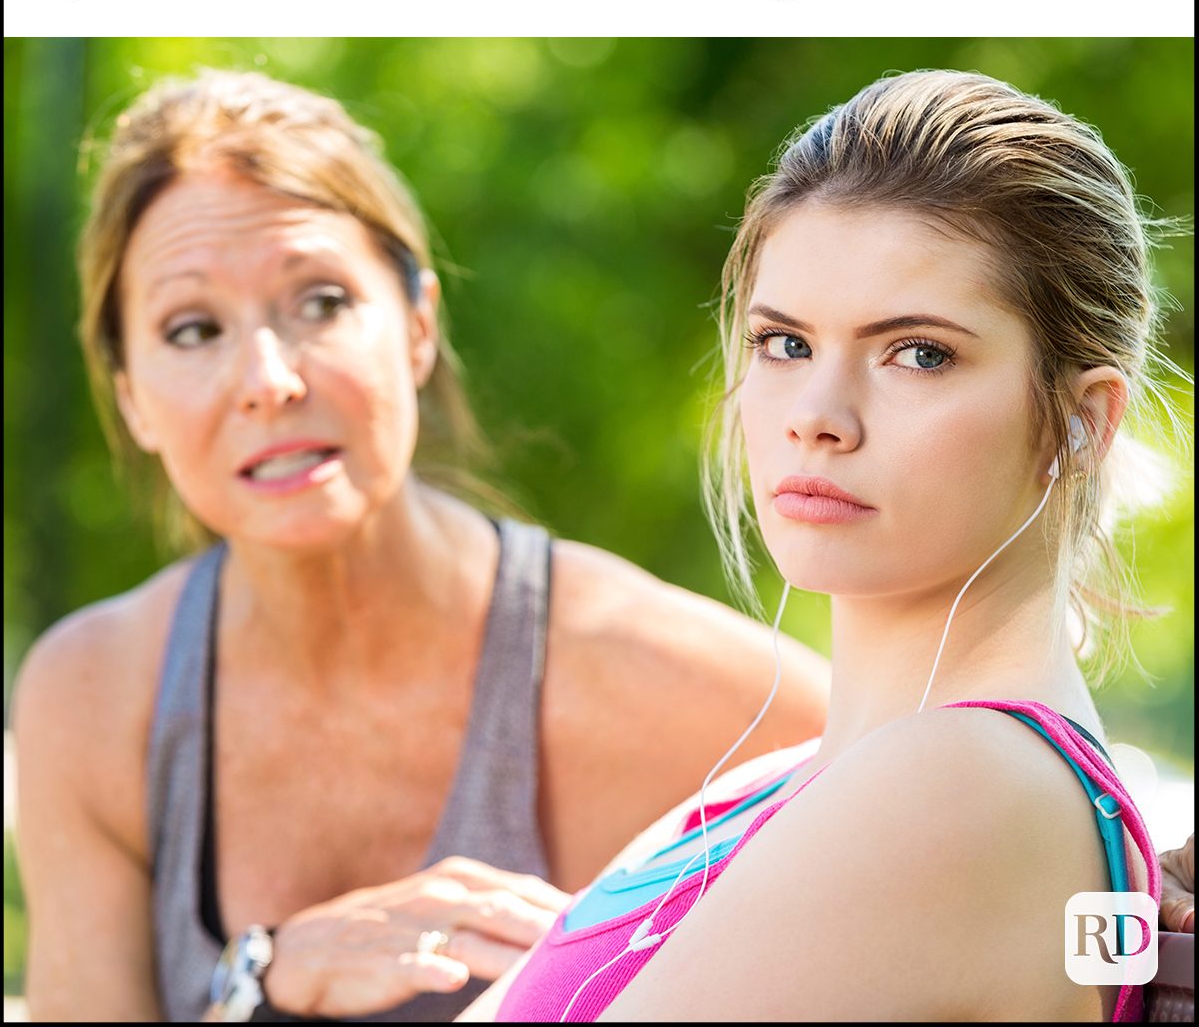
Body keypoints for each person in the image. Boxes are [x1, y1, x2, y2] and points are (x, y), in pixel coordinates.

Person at [9, 69, 835, 1023]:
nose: (268, 379)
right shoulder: (94, 698)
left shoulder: (672, 683)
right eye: (193, 329)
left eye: (319, 303)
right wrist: (262, 981)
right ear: (131, 400)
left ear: (415, 327)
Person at [457, 69, 1193, 1022]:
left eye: (918, 352)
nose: (818, 417)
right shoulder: (771, 784)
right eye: (784, 343)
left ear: (1082, 422)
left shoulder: (961, 784)